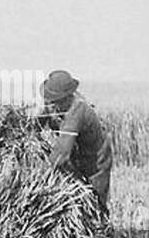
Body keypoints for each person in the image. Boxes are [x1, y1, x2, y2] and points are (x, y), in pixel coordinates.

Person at [40, 69, 112, 219]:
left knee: (95, 200)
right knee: (78, 198)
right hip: (78, 154)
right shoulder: (56, 105)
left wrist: (40, 176)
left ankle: (102, 232)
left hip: (96, 159)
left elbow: (61, 154)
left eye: (54, 101)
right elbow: (38, 122)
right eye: (49, 100)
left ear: (65, 98)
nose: (50, 105)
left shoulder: (77, 111)